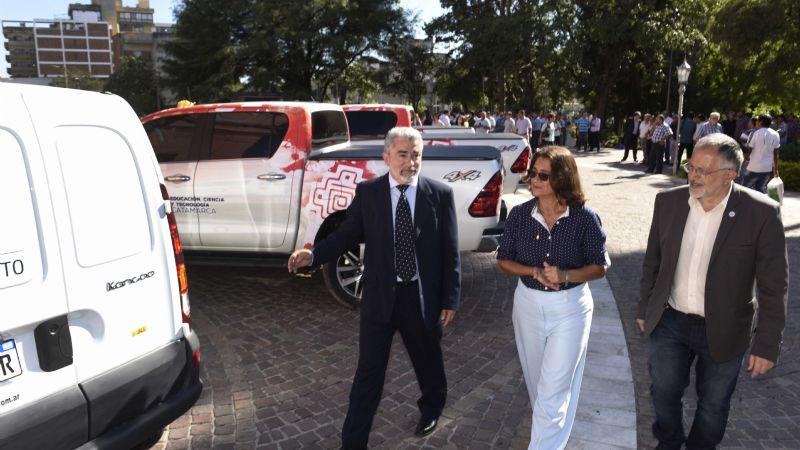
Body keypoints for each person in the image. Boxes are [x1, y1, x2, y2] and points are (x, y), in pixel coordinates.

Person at [288, 127, 460, 449]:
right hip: (380, 299)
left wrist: (450, 298)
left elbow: (449, 251)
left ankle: (432, 408)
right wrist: (313, 254)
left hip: (420, 299)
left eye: (416, 155)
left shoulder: (439, 195)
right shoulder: (368, 193)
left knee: (428, 362)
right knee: (368, 374)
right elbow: (345, 236)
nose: (411, 162)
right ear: (386, 158)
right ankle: (353, 442)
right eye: (403, 154)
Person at [637, 133, 788, 450]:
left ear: (730, 175)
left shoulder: (760, 213)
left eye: (703, 171)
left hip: (725, 328)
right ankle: (670, 441)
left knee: (713, 405)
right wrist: (643, 308)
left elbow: (774, 287)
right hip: (670, 321)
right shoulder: (668, 202)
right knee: (662, 393)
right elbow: (653, 260)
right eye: (691, 167)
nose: (693, 176)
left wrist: (767, 345)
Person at [497, 146, 609, 450]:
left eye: (543, 175)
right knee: (540, 388)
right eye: (532, 173)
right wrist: (534, 271)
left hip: (570, 309)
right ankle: (551, 436)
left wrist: (566, 275)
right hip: (528, 306)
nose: (534, 179)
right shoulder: (520, 214)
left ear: (562, 178)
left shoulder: (585, 218)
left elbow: (599, 266)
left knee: (552, 391)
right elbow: (503, 260)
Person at [742, 114, 781, 194]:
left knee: (744, 188)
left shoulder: (756, 133)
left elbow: (749, 149)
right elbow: (776, 153)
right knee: (760, 189)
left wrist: (743, 160)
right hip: (767, 168)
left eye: (758, 120)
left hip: (753, 167)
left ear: (761, 122)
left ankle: (743, 205)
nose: (757, 122)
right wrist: (776, 169)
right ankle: (760, 205)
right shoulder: (776, 134)